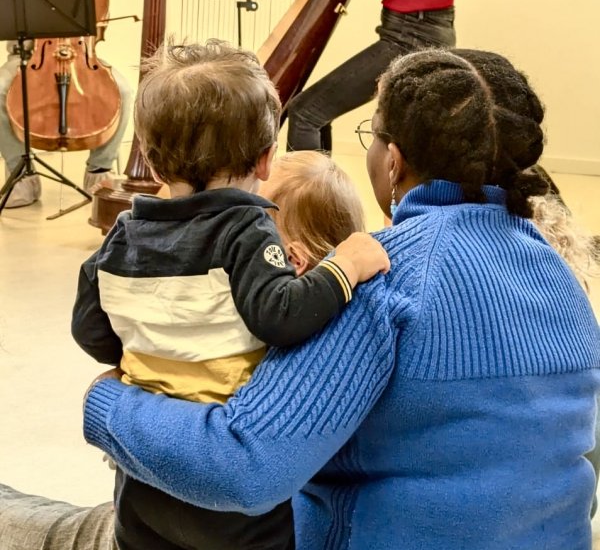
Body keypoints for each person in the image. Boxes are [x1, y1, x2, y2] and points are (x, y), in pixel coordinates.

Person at [81, 48, 600, 549]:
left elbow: (242, 468)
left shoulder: (384, 274)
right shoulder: (560, 268)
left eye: (370, 135)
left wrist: (104, 404)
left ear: (392, 162)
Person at [71, 42, 389, 550]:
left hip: (143, 485)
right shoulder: (246, 229)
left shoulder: (124, 233)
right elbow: (281, 317)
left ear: (152, 163)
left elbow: (88, 325)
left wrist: (149, 352)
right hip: (232, 509)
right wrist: (343, 269)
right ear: (265, 160)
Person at [0, 150, 369, 550]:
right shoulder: (281, 331)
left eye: (231, 227)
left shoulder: (287, 356)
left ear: (293, 262)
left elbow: (227, 463)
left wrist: (105, 397)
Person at [0, 0, 144, 208]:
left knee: (121, 91)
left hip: (81, 54)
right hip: (28, 55)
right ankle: (22, 176)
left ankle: (99, 172)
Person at [285, 0, 456, 153]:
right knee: (316, 111)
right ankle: (324, 184)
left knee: (305, 113)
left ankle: (308, 184)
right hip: (429, 29)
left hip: (411, 37)